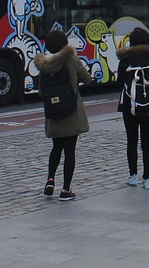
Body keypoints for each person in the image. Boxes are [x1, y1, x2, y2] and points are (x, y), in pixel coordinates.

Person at [34, 28, 94, 201]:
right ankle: (66, 189)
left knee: (56, 148)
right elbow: (88, 79)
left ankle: (50, 180)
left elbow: (40, 91)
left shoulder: (44, 64)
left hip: (53, 114)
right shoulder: (72, 60)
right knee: (70, 151)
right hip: (71, 112)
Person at [116, 27, 149, 189]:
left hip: (129, 104)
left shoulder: (125, 58)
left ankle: (133, 175)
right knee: (147, 142)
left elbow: (120, 81)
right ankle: (148, 178)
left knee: (132, 140)